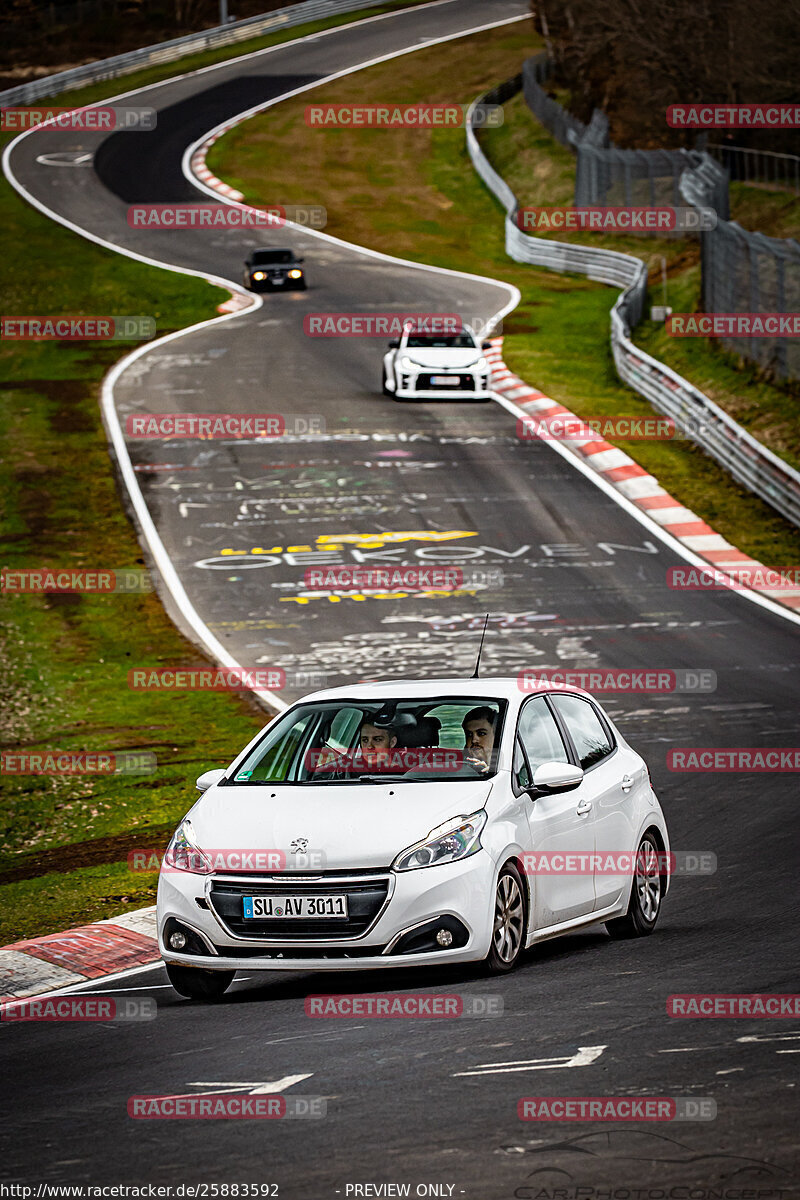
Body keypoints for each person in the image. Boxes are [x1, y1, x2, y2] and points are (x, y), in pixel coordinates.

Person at [461, 706, 498, 774]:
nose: (474, 740)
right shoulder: (456, 765)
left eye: (481, 733)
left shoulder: (509, 766)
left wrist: (489, 772)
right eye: (469, 735)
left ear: (496, 736)